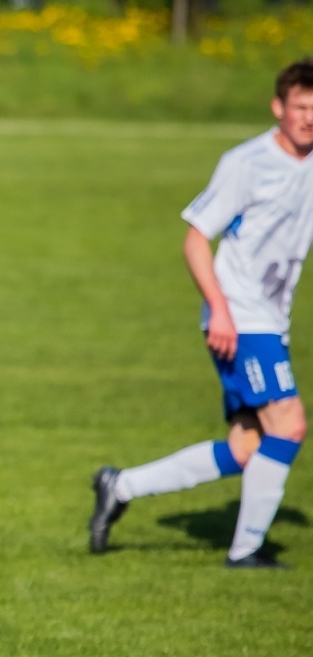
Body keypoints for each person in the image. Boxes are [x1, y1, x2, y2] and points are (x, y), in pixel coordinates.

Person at [89, 60, 311, 566]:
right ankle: (246, 552)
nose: (309, 118)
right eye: (300, 107)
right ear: (279, 108)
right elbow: (195, 240)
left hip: (272, 319)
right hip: (239, 315)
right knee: (290, 423)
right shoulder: (247, 162)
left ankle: (119, 487)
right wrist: (221, 311)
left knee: (247, 447)